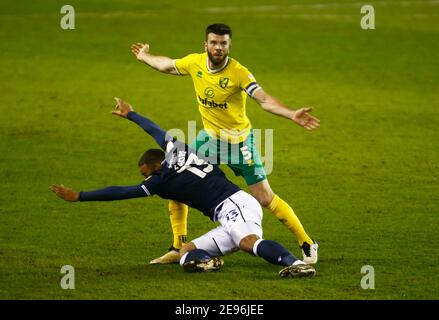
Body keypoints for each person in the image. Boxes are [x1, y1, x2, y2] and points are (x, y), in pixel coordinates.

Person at [50, 98, 316, 278]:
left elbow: (122, 192)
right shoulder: (176, 149)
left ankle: (295, 264)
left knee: (248, 242)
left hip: (235, 205)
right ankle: (211, 262)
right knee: (187, 254)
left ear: (154, 167)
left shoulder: (160, 180)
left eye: (145, 173)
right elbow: (155, 130)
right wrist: (131, 114)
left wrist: (80, 196)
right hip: (226, 215)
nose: (143, 178)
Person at [131, 23, 320, 264]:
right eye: (214, 43)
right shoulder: (195, 62)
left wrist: (291, 113)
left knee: (264, 198)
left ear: (229, 46)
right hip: (208, 140)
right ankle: (178, 245)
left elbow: (263, 100)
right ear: (206, 45)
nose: (218, 47)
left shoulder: (239, 72)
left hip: (240, 144)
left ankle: (306, 242)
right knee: (175, 182)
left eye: (223, 43)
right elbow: (167, 65)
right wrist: (145, 56)